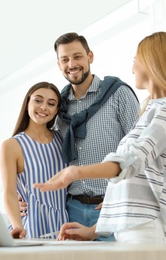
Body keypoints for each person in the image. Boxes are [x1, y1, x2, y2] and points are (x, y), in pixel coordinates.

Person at [34, 31, 166, 245]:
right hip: (131, 225)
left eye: (135, 61)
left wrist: (76, 172)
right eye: (64, 59)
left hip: (151, 227)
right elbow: (135, 186)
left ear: (152, 63)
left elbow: (133, 160)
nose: (132, 68)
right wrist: (94, 231)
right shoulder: (150, 110)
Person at [53, 32, 140, 241]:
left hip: (111, 208)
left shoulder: (118, 94)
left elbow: (138, 151)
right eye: (65, 59)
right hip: (71, 209)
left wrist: (120, 198)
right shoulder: (58, 107)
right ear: (59, 65)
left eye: (77, 56)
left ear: (90, 56)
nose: (72, 64)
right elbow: (48, 152)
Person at [0, 81, 68, 239]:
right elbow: (9, 193)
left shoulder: (62, 139)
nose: (44, 107)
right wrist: (18, 226)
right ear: (27, 103)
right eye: (38, 100)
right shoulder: (11, 145)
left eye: (51, 104)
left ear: (56, 110)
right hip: (30, 226)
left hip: (63, 225)